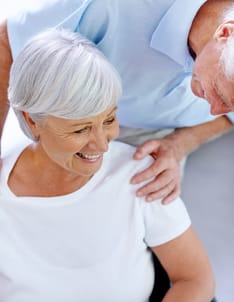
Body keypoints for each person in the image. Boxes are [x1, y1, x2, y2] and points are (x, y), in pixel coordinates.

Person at [0, 28, 214, 302]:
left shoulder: (141, 174)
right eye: (81, 128)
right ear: (32, 121)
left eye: (110, 119)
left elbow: (196, 280)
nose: (102, 142)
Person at [0, 0, 234, 206]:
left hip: (157, 138)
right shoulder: (108, 7)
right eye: (219, 94)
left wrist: (180, 143)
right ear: (224, 33)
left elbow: (225, 116)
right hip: (73, 119)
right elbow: (7, 42)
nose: (214, 110)